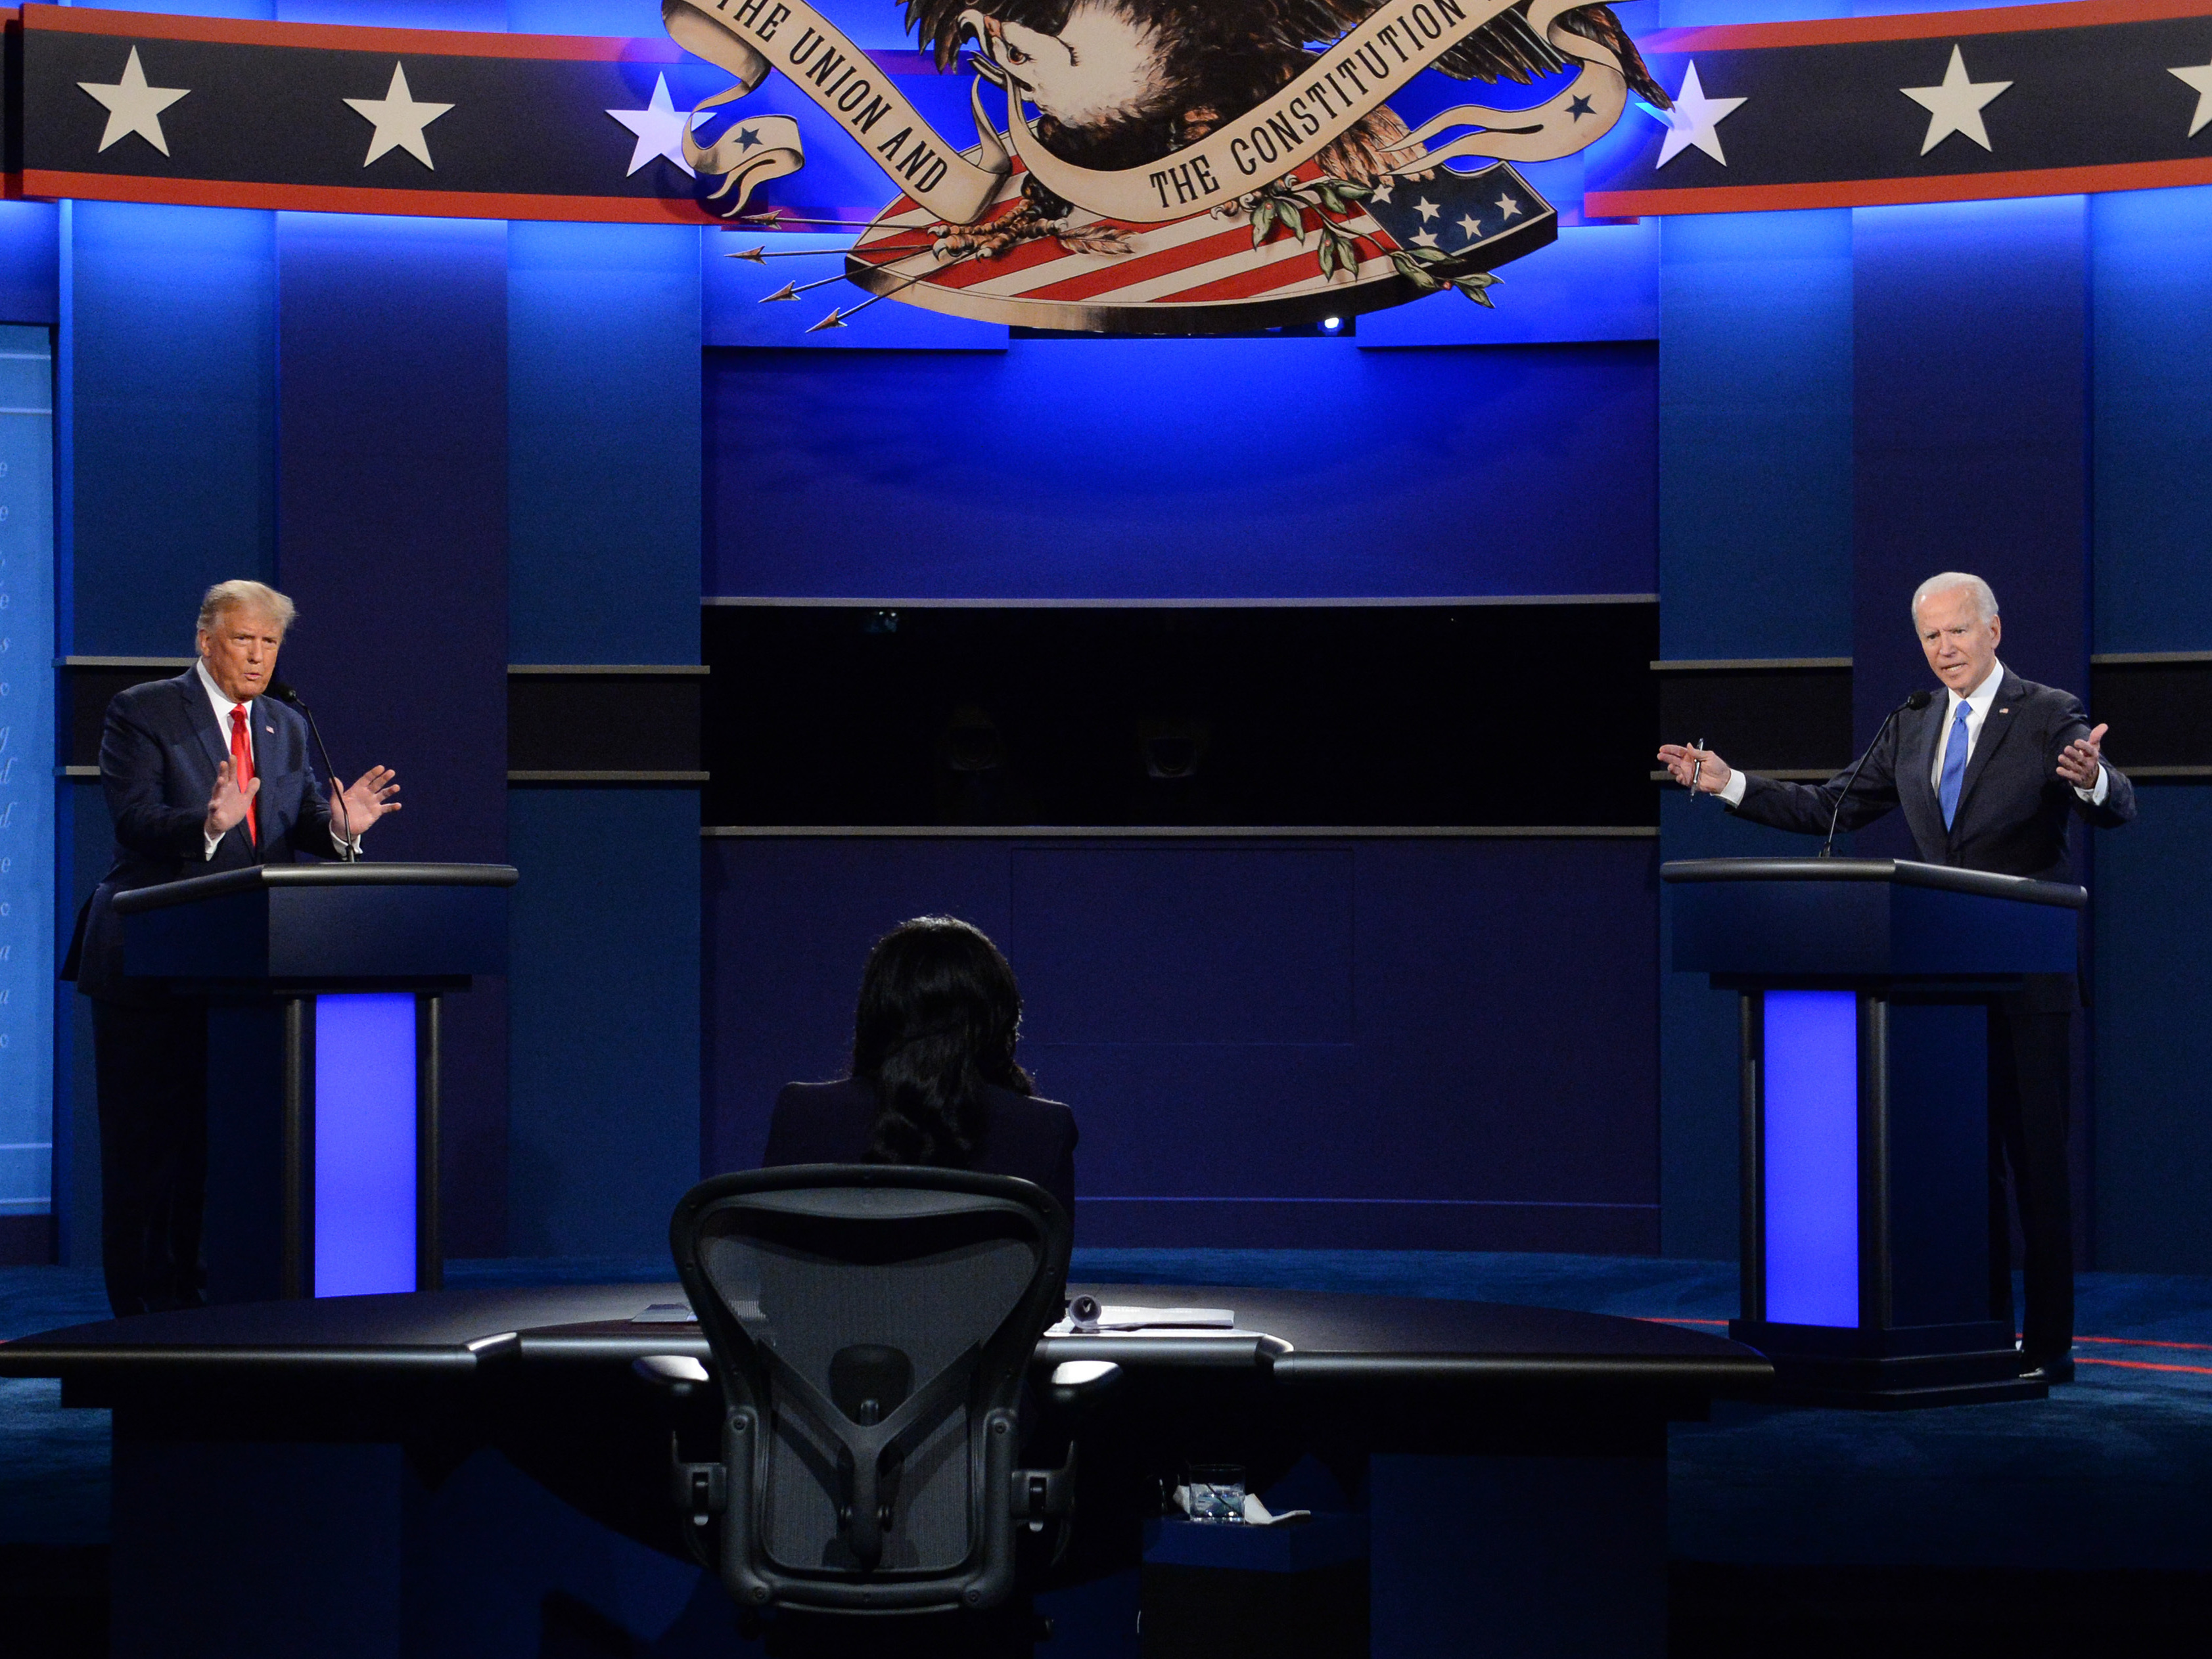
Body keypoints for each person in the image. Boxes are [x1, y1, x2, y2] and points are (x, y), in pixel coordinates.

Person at [1657, 572, 2135, 1384]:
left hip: (2024, 988)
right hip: (1934, 994)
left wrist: (2090, 775)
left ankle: (2050, 1348)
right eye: (1930, 637)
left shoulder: (2049, 711)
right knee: (1962, 1171)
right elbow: (1831, 807)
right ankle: (1976, 1328)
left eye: (1957, 631)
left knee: (2038, 1174)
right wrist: (1729, 783)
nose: (1944, 649)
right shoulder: (1912, 723)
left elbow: (2114, 802)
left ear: (1994, 629)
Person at [60, 580, 402, 1316]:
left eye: (269, 642)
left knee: (226, 1156)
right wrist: (207, 822)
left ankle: (222, 1317)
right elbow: (136, 821)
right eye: (243, 638)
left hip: (247, 971)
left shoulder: (285, 723)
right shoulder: (144, 710)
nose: (257, 654)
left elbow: (300, 822)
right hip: (150, 965)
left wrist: (342, 825)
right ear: (206, 640)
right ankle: (148, 1327)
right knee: (152, 1159)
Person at [761, 915, 1078, 1217]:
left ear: (875, 1012)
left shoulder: (802, 1113)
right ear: (998, 1018)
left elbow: (771, 1258)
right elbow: (1049, 1269)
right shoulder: (1045, 1129)